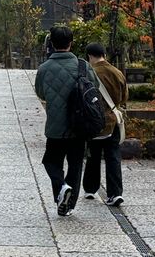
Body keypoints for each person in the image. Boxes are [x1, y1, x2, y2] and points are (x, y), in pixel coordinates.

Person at [34, 24, 100, 217]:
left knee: (51, 162)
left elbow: (40, 93)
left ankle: (61, 187)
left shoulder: (44, 68)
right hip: (79, 125)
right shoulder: (83, 66)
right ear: (71, 42)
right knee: (75, 165)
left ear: (52, 43)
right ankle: (68, 206)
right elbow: (94, 87)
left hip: (55, 126)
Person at [83, 41, 126, 206]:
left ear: (89, 56)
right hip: (113, 121)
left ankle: (90, 188)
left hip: (94, 121)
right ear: (104, 55)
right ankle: (115, 193)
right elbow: (124, 97)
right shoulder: (117, 72)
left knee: (93, 154)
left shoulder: (89, 73)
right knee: (113, 156)